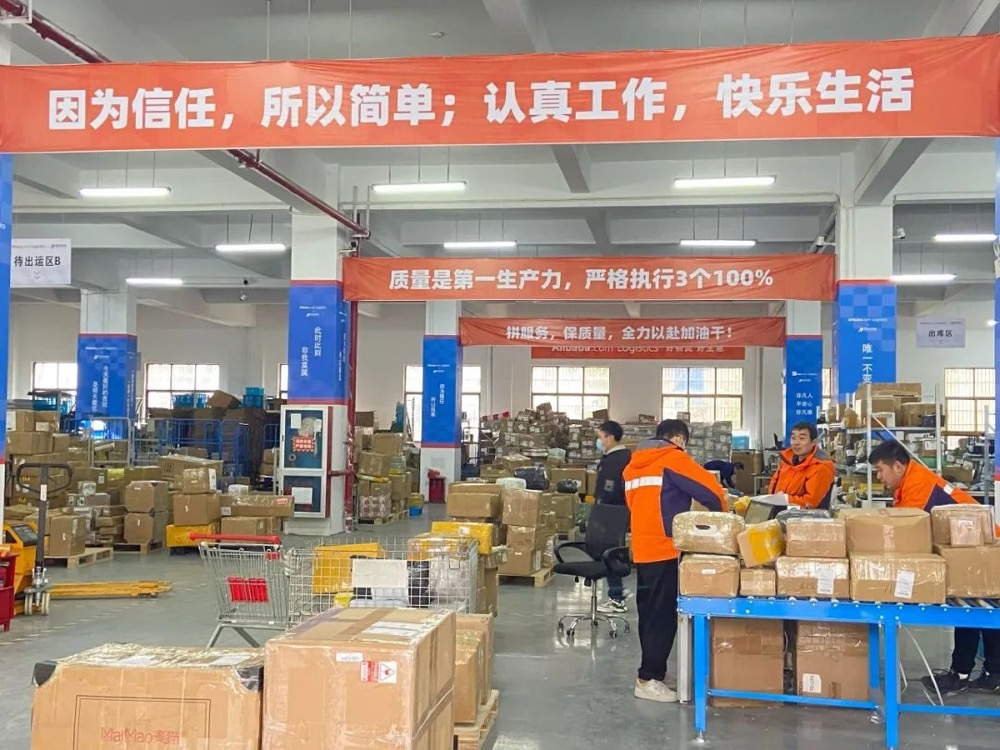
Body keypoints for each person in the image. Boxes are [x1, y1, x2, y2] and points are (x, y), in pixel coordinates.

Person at [869, 440, 999, 694]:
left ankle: (973, 673)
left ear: (898, 466)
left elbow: (907, 533)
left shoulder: (917, 484)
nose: (879, 476)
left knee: (977, 609)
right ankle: (984, 673)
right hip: (969, 547)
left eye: (880, 470)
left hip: (979, 548)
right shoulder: (909, 482)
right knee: (976, 610)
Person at [623, 419, 728, 703]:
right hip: (666, 547)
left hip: (643, 547)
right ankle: (648, 678)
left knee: (649, 614)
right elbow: (711, 490)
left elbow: (634, 505)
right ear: (679, 439)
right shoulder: (672, 457)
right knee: (662, 617)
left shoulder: (633, 464)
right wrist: (724, 519)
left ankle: (653, 671)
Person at [593, 420, 632, 614]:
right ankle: (617, 593)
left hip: (611, 513)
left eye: (600, 437)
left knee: (609, 553)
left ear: (610, 438)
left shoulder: (615, 460)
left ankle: (617, 597)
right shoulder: (623, 456)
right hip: (617, 511)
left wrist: (600, 512)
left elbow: (609, 489)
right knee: (612, 552)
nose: (598, 442)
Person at [768, 422, 836, 508]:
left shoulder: (821, 466)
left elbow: (810, 502)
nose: (796, 443)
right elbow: (774, 487)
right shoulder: (787, 461)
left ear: (813, 442)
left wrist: (784, 499)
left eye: (802, 438)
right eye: (793, 438)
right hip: (780, 511)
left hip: (806, 515)